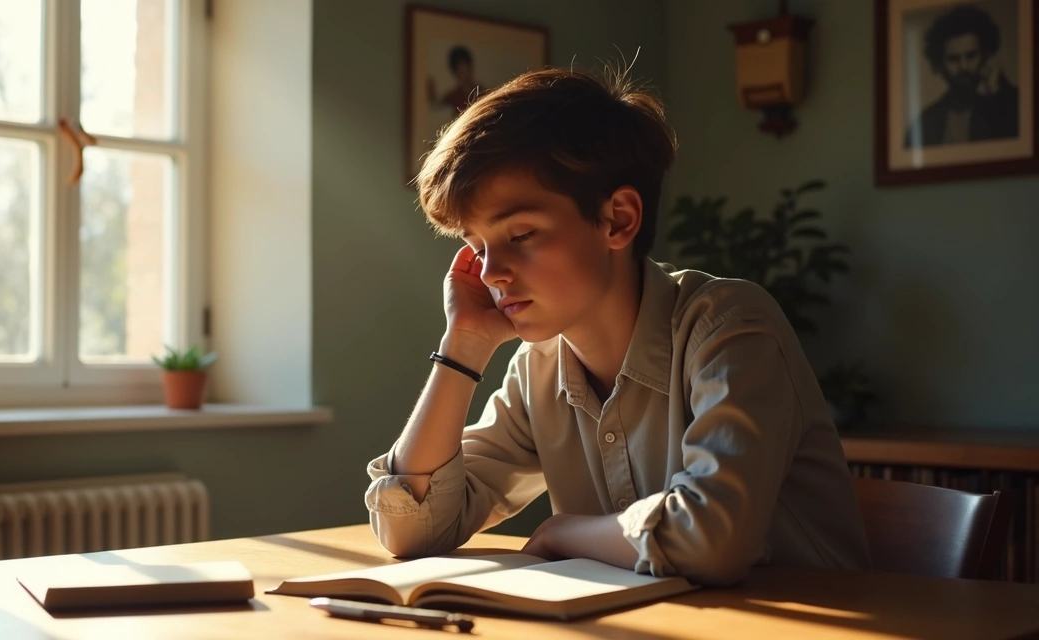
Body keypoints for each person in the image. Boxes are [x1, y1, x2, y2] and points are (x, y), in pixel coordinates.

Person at [365, 67, 871, 587]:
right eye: (476, 245)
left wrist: (564, 532)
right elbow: (412, 529)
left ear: (618, 219)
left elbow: (712, 540)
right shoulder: (539, 370)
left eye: (521, 233)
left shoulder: (729, 329)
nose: (491, 272)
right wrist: (463, 346)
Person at [906, 3, 1019, 147]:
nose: (963, 66)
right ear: (939, 64)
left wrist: (997, 94)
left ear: (986, 56)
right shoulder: (924, 124)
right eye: (953, 59)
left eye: (971, 56)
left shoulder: (1015, 105)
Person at [429, 45, 485, 114]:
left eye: (467, 71)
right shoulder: (453, 96)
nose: (465, 76)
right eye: (461, 73)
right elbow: (437, 106)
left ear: (471, 69)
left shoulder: (482, 92)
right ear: (455, 73)